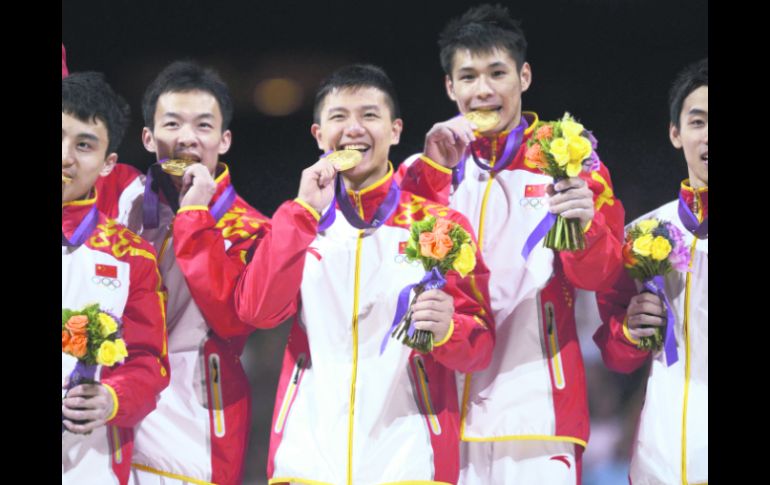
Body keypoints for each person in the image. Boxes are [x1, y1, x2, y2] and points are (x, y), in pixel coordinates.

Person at [395, 5, 626, 483]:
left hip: (536, 409)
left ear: (523, 76)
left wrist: (584, 226)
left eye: (497, 73)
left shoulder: (569, 159)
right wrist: (434, 176)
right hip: (436, 413)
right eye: (469, 76)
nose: (483, 90)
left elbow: (601, 277)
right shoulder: (424, 171)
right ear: (450, 88)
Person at [235, 64, 495, 484]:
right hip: (307, 461)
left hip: (409, 461)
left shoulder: (439, 226)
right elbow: (258, 312)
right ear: (319, 135)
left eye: (369, 116)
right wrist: (301, 213)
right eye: (339, 117)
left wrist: (450, 330)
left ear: (394, 131)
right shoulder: (298, 222)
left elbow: (481, 346)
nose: (354, 129)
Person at [127, 60, 270, 485]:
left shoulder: (252, 229)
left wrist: (194, 216)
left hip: (194, 424)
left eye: (204, 126)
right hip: (114, 411)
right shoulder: (124, 200)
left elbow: (232, 319)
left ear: (224, 140)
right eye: (172, 124)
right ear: (148, 136)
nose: (187, 139)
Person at [593, 58, 708, 485]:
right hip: (661, 459)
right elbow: (615, 354)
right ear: (676, 134)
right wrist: (631, 331)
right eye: (698, 122)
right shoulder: (642, 234)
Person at [62, 71, 169, 485]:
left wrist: (111, 398)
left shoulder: (132, 257)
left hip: (89, 467)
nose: (66, 156)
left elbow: (148, 363)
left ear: (109, 164)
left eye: (84, 145)